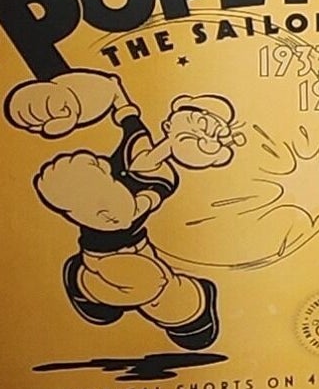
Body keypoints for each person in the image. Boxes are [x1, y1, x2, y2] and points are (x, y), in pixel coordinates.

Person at [7, 68, 243, 350]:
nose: (198, 127)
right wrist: (78, 95)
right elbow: (122, 104)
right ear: (169, 124)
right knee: (150, 284)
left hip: (135, 244)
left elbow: (127, 214)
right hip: (103, 252)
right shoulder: (137, 140)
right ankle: (93, 286)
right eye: (195, 118)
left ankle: (87, 288)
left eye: (206, 129)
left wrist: (101, 198)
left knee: (164, 296)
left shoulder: (164, 180)